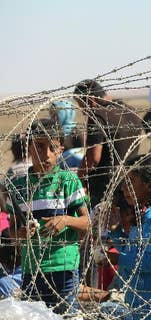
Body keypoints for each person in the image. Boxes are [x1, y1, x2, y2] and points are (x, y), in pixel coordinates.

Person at [5, 119, 89, 315]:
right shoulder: (18, 187)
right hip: (31, 270)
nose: (47, 154)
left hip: (64, 269)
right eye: (40, 147)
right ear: (29, 148)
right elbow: (12, 232)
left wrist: (66, 220)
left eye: (53, 147)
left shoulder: (68, 181)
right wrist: (22, 233)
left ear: (60, 149)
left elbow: (88, 223)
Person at [103, 155, 151, 320]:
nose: (124, 188)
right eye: (124, 182)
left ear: (150, 185)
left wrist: (117, 259)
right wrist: (116, 232)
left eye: (131, 182)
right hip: (138, 300)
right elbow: (133, 250)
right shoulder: (143, 215)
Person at [74, 79, 143, 207]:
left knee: (102, 225)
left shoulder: (97, 116)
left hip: (104, 188)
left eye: (81, 105)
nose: (83, 111)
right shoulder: (131, 112)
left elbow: (93, 159)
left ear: (90, 101)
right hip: (130, 182)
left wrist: (78, 180)